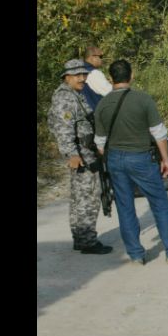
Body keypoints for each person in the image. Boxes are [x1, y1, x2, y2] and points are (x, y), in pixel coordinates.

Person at [94, 59, 168, 265]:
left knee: (125, 207)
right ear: (131, 75)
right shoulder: (143, 100)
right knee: (159, 203)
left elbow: (100, 143)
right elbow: (159, 133)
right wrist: (166, 159)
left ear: (110, 78)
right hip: (141, 157)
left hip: (115, 159)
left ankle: (135, 254)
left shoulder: (102, 105)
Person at [47, 59, 113, 255]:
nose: (82, 78)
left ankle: (81, 238)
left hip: (87, 153)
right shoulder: (65, 98)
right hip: (82, 156)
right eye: (77, 75)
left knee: (80, 198)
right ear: (67, 77)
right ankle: (87, 241)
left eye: (84, 74)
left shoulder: (75, 94)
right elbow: (63, 129)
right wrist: (72, 154)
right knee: (87, 199)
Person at [80, 45, 112, 111]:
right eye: (100, 56)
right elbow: (111, 93)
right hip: (96, 114)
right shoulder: (94, 73)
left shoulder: (81, 70)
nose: (102, 59)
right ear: (92, 57)